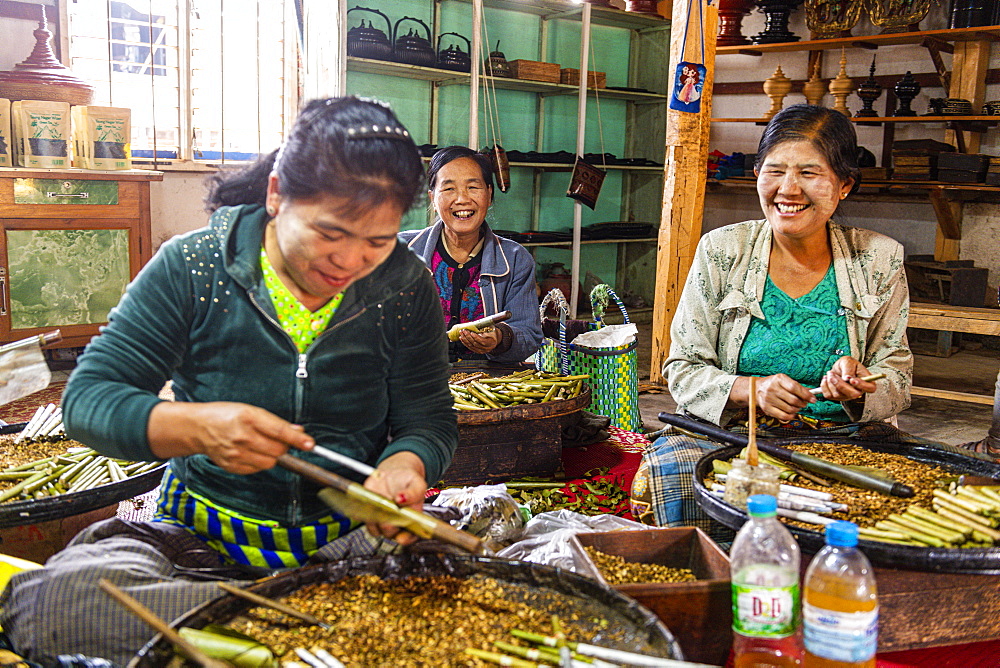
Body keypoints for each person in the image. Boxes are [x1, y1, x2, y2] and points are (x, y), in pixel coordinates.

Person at [0, 96, 457, 663]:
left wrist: (404, 466)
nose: (350, 261)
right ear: (275, 195)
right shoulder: (194, 267)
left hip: (348, 543)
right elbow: (90, 400)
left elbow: (429, 419)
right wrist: (195, 428)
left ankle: (244, 633)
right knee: (53, 607)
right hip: (198, 540)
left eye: (377, 241)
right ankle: (312, 630)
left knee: (477, 591)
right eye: (330, 232)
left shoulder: (404, 287)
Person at [630, 104, 913, 537]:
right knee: (680, 480)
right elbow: (683, 369)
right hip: (730, 434)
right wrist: (750, 389)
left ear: (844, 186)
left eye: (810, 174)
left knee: (905, 499)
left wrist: (860, 388)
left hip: (843, 439)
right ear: (758, 174)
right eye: (775, 170)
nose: (789, 189)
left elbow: (897, 374)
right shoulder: (723, 250)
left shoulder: (879, 258)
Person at [399, 146, 543, 364]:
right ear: (433, 199)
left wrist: (500, 339)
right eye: (448, 189)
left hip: (489, 386)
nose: (462, 199)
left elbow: (529, 335)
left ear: (489, 194)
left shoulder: (515, 259)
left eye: (473, 187)